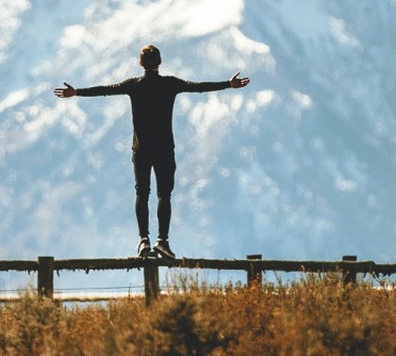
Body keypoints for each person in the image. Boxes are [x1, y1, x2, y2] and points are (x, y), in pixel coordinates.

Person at [54, 44, 250, 259]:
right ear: (160, 62)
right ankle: (162, 242)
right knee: (163, 195)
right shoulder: (170, 84)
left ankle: (144, 241)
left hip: (141, 150)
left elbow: (105, 90)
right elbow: (199, 87)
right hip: (165, 149)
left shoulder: (134, 85)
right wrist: (228, 85)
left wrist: (76, 92)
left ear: (140, 63)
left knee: (142, 193)